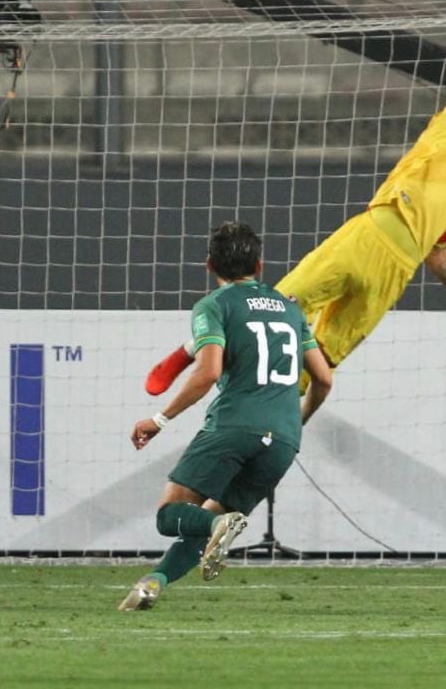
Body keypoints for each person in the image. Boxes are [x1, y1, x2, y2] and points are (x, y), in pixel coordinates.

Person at [143, 0, 446, 394]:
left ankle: (262, 420)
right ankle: (186, 352)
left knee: (322, 365)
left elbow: (434, 251)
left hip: (395, 273)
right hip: (368, 237)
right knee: (273, 308)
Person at [119, 221, 332, 611]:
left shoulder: (214, 306)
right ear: (261, 264)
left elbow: (209, 371)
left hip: (234, 426)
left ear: (209, 265)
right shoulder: (290, 309)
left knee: (170, 516)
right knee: (212, 521)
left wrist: (159, 419)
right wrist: (296, 422)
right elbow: (323, 378)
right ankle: (152, 583)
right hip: (283, 440)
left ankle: (217, 526)